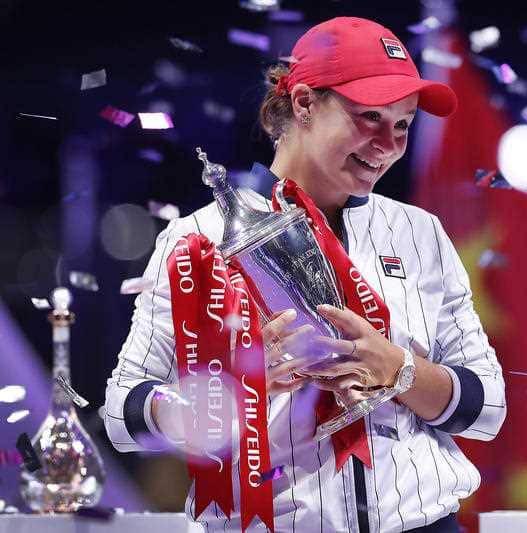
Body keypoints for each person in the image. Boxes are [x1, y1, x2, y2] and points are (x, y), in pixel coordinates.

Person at [104, 16, 506, 532]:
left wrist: (400, 369)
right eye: (369, 117)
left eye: (403, 125)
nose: (387, 143)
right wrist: (232, 390)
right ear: (304, 104)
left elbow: (487, 408)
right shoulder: (199, 241)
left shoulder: (418, 232)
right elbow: (123, 413)